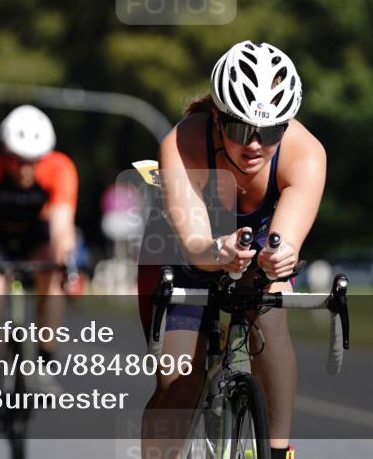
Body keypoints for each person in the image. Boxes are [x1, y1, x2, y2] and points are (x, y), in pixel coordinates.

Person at [138, 41, 327, 459]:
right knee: (179, 383)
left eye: (272, 131)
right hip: (185, 248)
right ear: (219, 118)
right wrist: (218, 252)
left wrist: (282, 257)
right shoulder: (184, 141)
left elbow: (287, 243)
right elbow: (193, 244)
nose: (256, 144)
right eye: (242, 130)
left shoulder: (306, 154)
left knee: (271, 317)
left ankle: (277, 449)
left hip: (255, 243)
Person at [0, 104, 78, 432]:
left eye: (33, 161)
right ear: (4, 151)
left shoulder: (61, 167)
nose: (25, 168)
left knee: (52, 274)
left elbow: (62, 228)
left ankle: (43, 362)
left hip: (35, 237)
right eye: (18, 159)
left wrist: (68, 266)